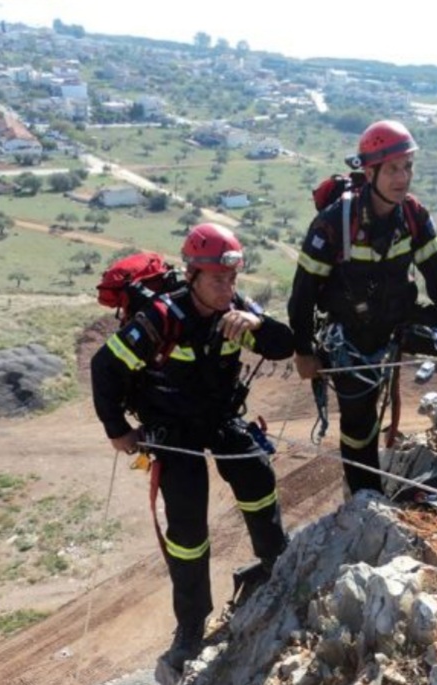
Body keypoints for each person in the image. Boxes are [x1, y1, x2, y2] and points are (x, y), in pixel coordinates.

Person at [91, 223, 293, 673]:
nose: (228, 288)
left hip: (219, 419)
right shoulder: (163, 317)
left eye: (233, 279)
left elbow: (284, 345)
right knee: (187, 530)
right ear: (193, 276)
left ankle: (274, 560)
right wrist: (117, 428)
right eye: (218, 279)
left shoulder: (236, 311)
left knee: (257, 477)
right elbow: (105, 366)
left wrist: (257, 323)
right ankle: (191, 625)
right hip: (174, 433)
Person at [288, 119, 437, 496]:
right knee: (359, 428)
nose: (403, 177)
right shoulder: (334, 223)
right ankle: (366, 498)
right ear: (369, 171)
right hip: (350, 337)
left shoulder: (412, 216)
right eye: (393, 168)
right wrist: (304, 351)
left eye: (407, 167)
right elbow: (303, 292)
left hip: (400, 320)